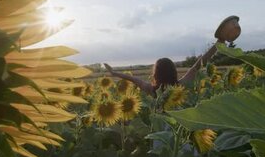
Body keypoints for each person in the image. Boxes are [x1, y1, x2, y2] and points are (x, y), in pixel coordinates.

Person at [103, 15, 241, 96]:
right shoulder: (181, 85)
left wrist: (114, 73)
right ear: (173, 72)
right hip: (181, 136)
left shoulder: (153, 91)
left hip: (162, 139)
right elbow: (198, 64)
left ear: (156, 75)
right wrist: (220, 42)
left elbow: (133, 79)